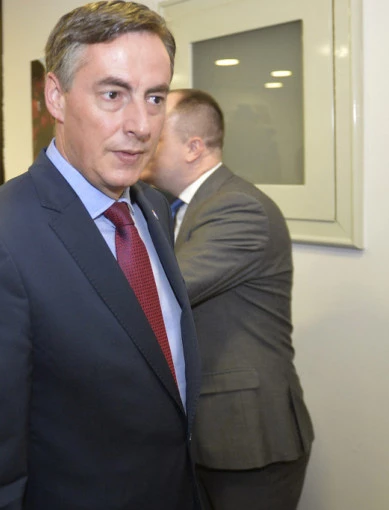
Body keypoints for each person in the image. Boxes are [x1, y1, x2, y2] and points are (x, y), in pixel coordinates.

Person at [0, 2, 202, 509]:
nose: (141, 124)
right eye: (113, 94)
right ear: (55, 96)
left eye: (155, 97)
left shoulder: (152, 209)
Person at [141, 89, 314, 510]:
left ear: (193, 148)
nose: (142, 141)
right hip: (210, 432)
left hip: (247, 437)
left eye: (156, 137)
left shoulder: (237, 207)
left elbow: (164, 292)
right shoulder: (179, 207)